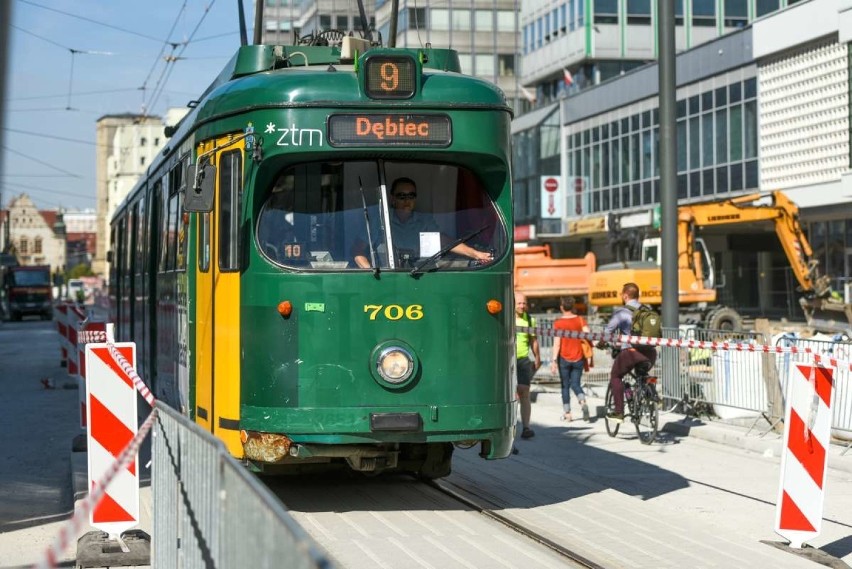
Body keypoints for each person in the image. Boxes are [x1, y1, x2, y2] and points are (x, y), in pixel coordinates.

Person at [354, 177, 493, 268]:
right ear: (392, 199)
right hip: (386, 278)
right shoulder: (379, 220)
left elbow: (443, 241)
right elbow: (357, 250)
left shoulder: (425, 221)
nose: (407, 200)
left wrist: (476, 254)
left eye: (411, 196)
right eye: (402, 196)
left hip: (419, 276)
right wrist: (371, 273)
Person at [604, 282, 658, 421]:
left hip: (631, 352)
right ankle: (648, 394)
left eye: (622, 295)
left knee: (616, 376)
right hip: (650, 353)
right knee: (641, 375)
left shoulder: (621, 312)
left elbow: (607, 333)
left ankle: (619, 412)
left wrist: (602, 343)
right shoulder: (647, 310)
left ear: (626, 295)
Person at [549, 296, 591, 422]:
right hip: (578, 357)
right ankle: (583, 402)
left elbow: (557, 343)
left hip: (564, 358)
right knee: (576, 384)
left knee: (565, 386)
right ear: (573, 306)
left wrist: (554, 361)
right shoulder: (580, 320)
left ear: (561, 307)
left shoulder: (558, 323)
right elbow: (587, 334)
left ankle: (567, 414)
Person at [514, 292, 541, 439]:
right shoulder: (508, 319)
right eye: (519, 303)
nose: (522, 306)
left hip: (523, 359)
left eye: (524, 303)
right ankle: (510, 429)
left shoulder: (530, 320)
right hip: (508, 360)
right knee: (511, 394)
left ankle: (526, 427)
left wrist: (537, 357)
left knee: (524, 391)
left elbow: (534, 340)